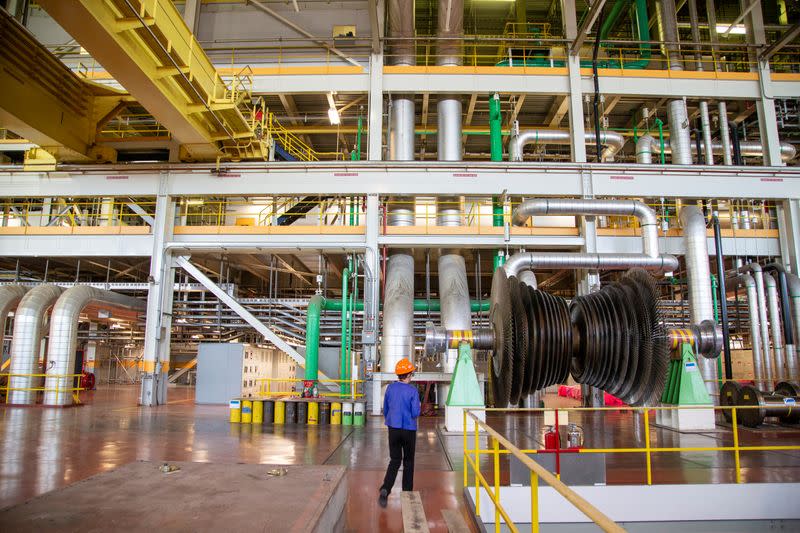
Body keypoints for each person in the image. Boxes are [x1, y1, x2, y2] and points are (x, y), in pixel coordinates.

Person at [378, 358, 421, 508]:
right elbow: (416, 412)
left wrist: (392, 420)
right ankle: (407, 492)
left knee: (395, 460)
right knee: (408, 461)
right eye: (412, 374)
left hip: (393, 429)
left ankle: (385, 488)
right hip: (408, 430)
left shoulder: (390, 388)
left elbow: (386, 409)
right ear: (408, 375)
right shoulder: (413, 391)